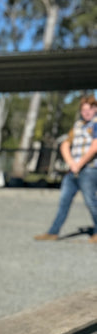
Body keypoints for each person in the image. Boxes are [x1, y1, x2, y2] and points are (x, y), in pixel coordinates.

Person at [35, 95, 97, 243]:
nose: (86, 112)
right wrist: (71, 163)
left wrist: (80, 164)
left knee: (90, 201)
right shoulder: (77, 126)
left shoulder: (95, 124)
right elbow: (65, 145)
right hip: (73, 171)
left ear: (95, 109)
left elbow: (95, 147)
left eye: (89, 109)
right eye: (83, 110)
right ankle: (53, 232)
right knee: (64, 201)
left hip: (89, 169)